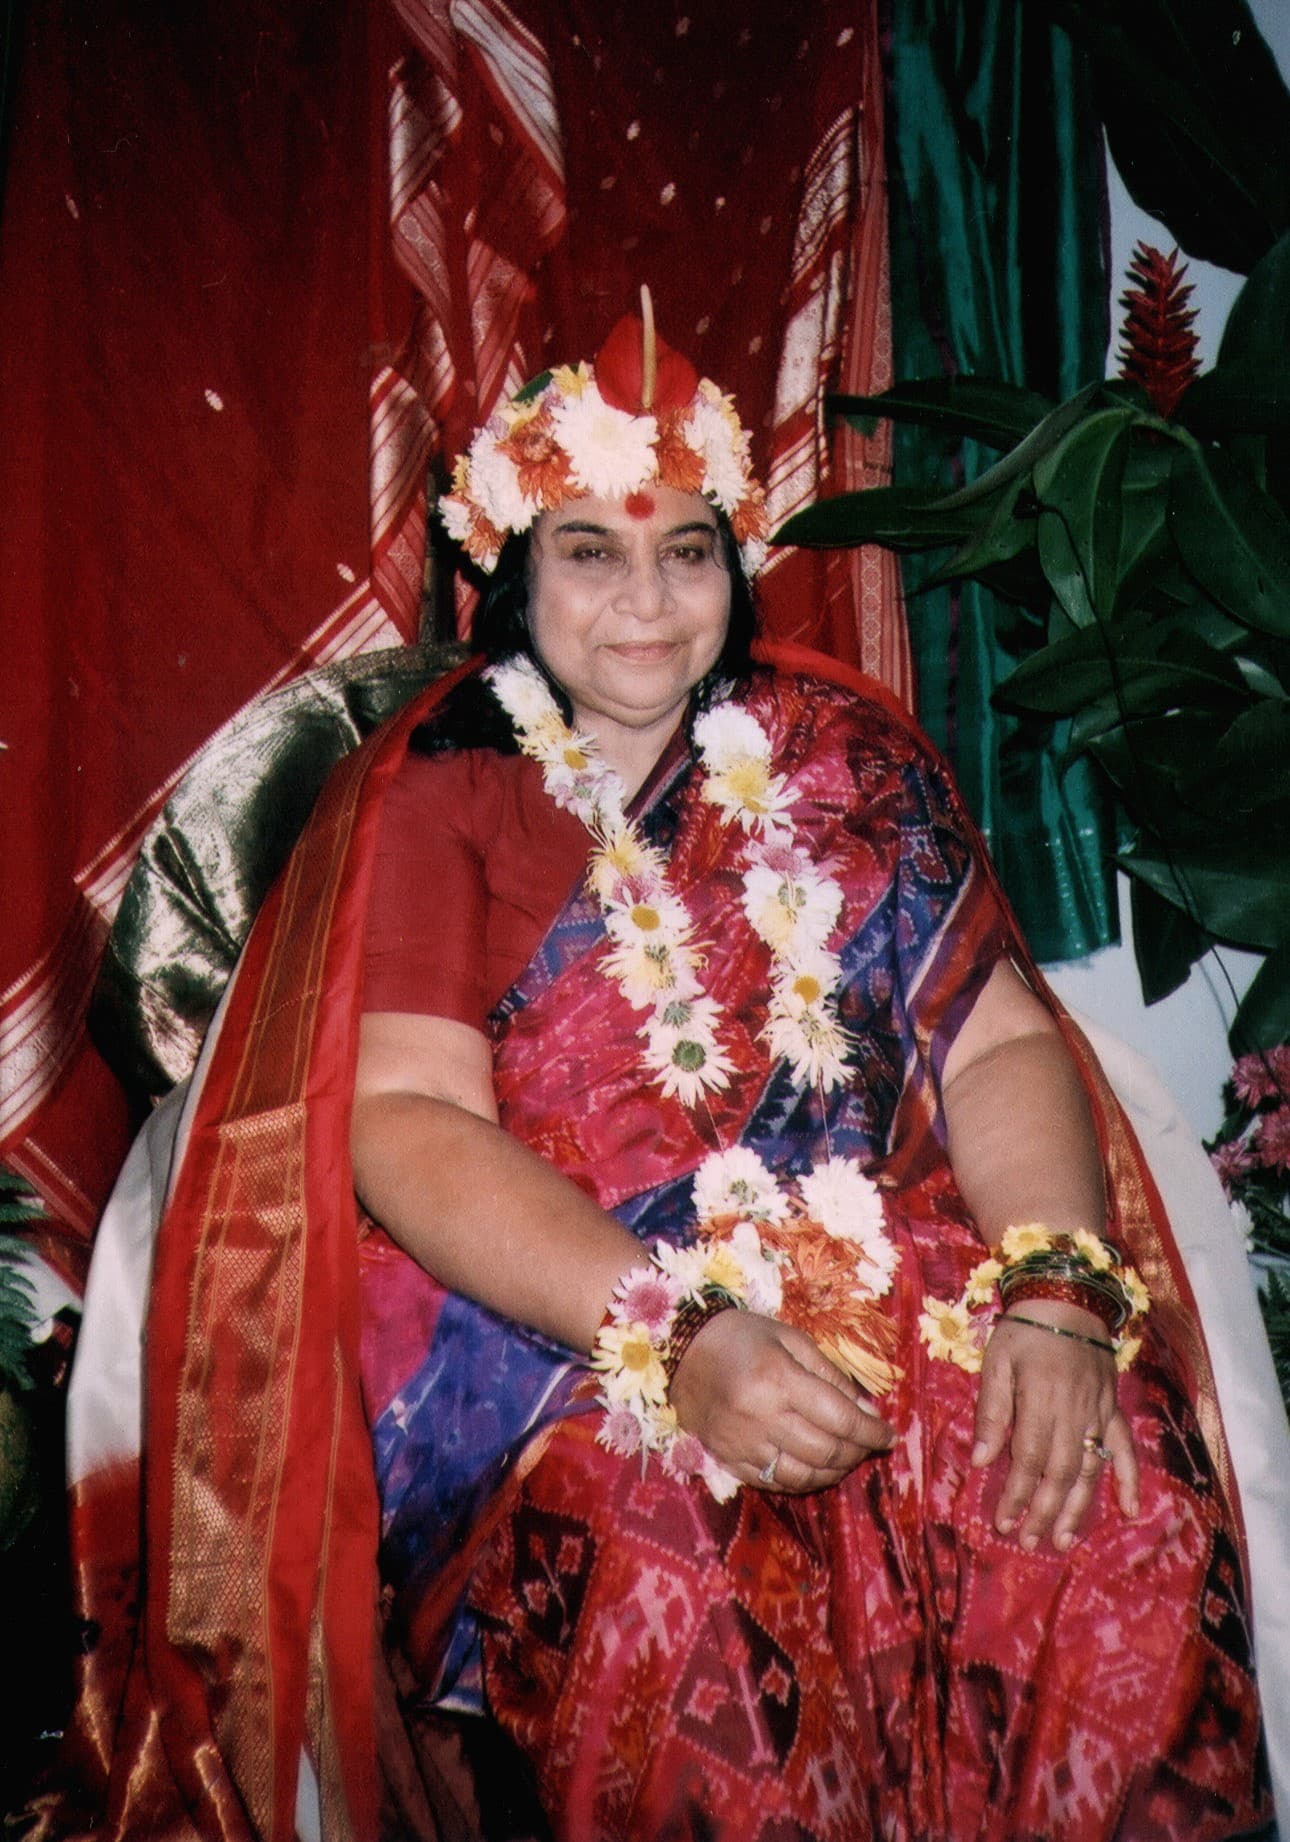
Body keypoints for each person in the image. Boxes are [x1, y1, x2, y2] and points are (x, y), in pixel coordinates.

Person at [32, 309, 1271, 1842]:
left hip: (880, 1267)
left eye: (686, 551)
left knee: (1106, 1472)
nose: (644, 602)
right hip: (553, 1327)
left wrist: (1055, 1296)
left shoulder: (843, 748)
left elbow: (1000, 1034)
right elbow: (407, 1124)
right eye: (587, 553)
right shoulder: (444, 790)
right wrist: (680, 1338)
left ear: (735, 565)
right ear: (511, 568)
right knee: (667, 1551)